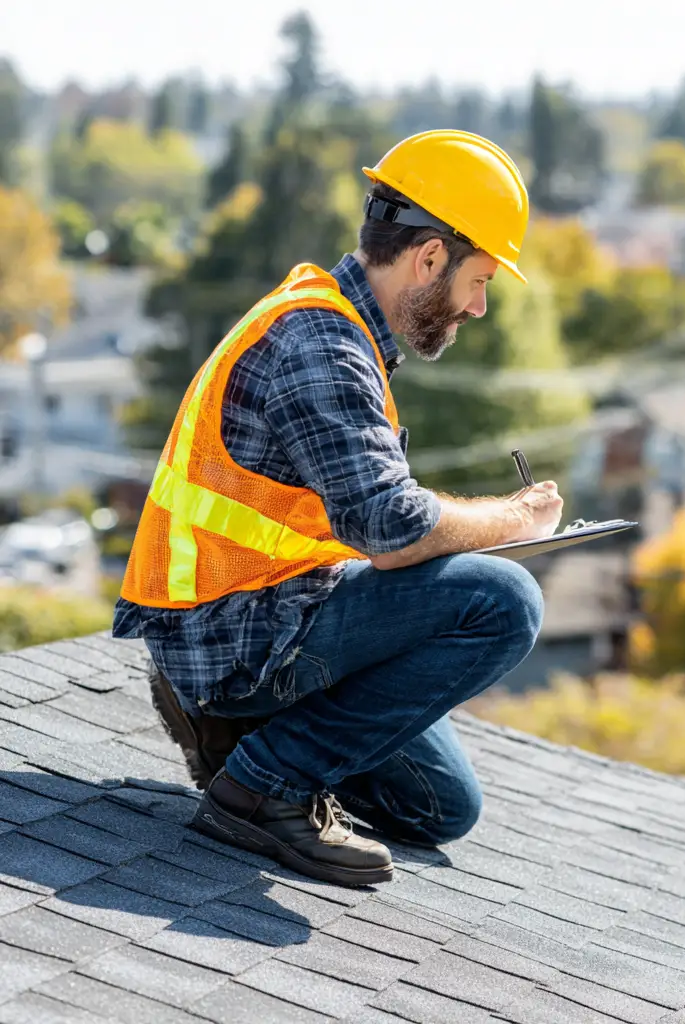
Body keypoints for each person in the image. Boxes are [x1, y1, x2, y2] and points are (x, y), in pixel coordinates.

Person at [112, 130, 564, 887]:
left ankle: (242, 736)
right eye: (479, 280)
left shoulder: (340, 332)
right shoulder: (319, 344)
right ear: (427, 260)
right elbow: (391, 529)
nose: (479, 308)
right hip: (235, 635)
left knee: (441, 806)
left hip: (276, 608)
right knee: (507, 600)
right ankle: (261, 786)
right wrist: (514, 522)